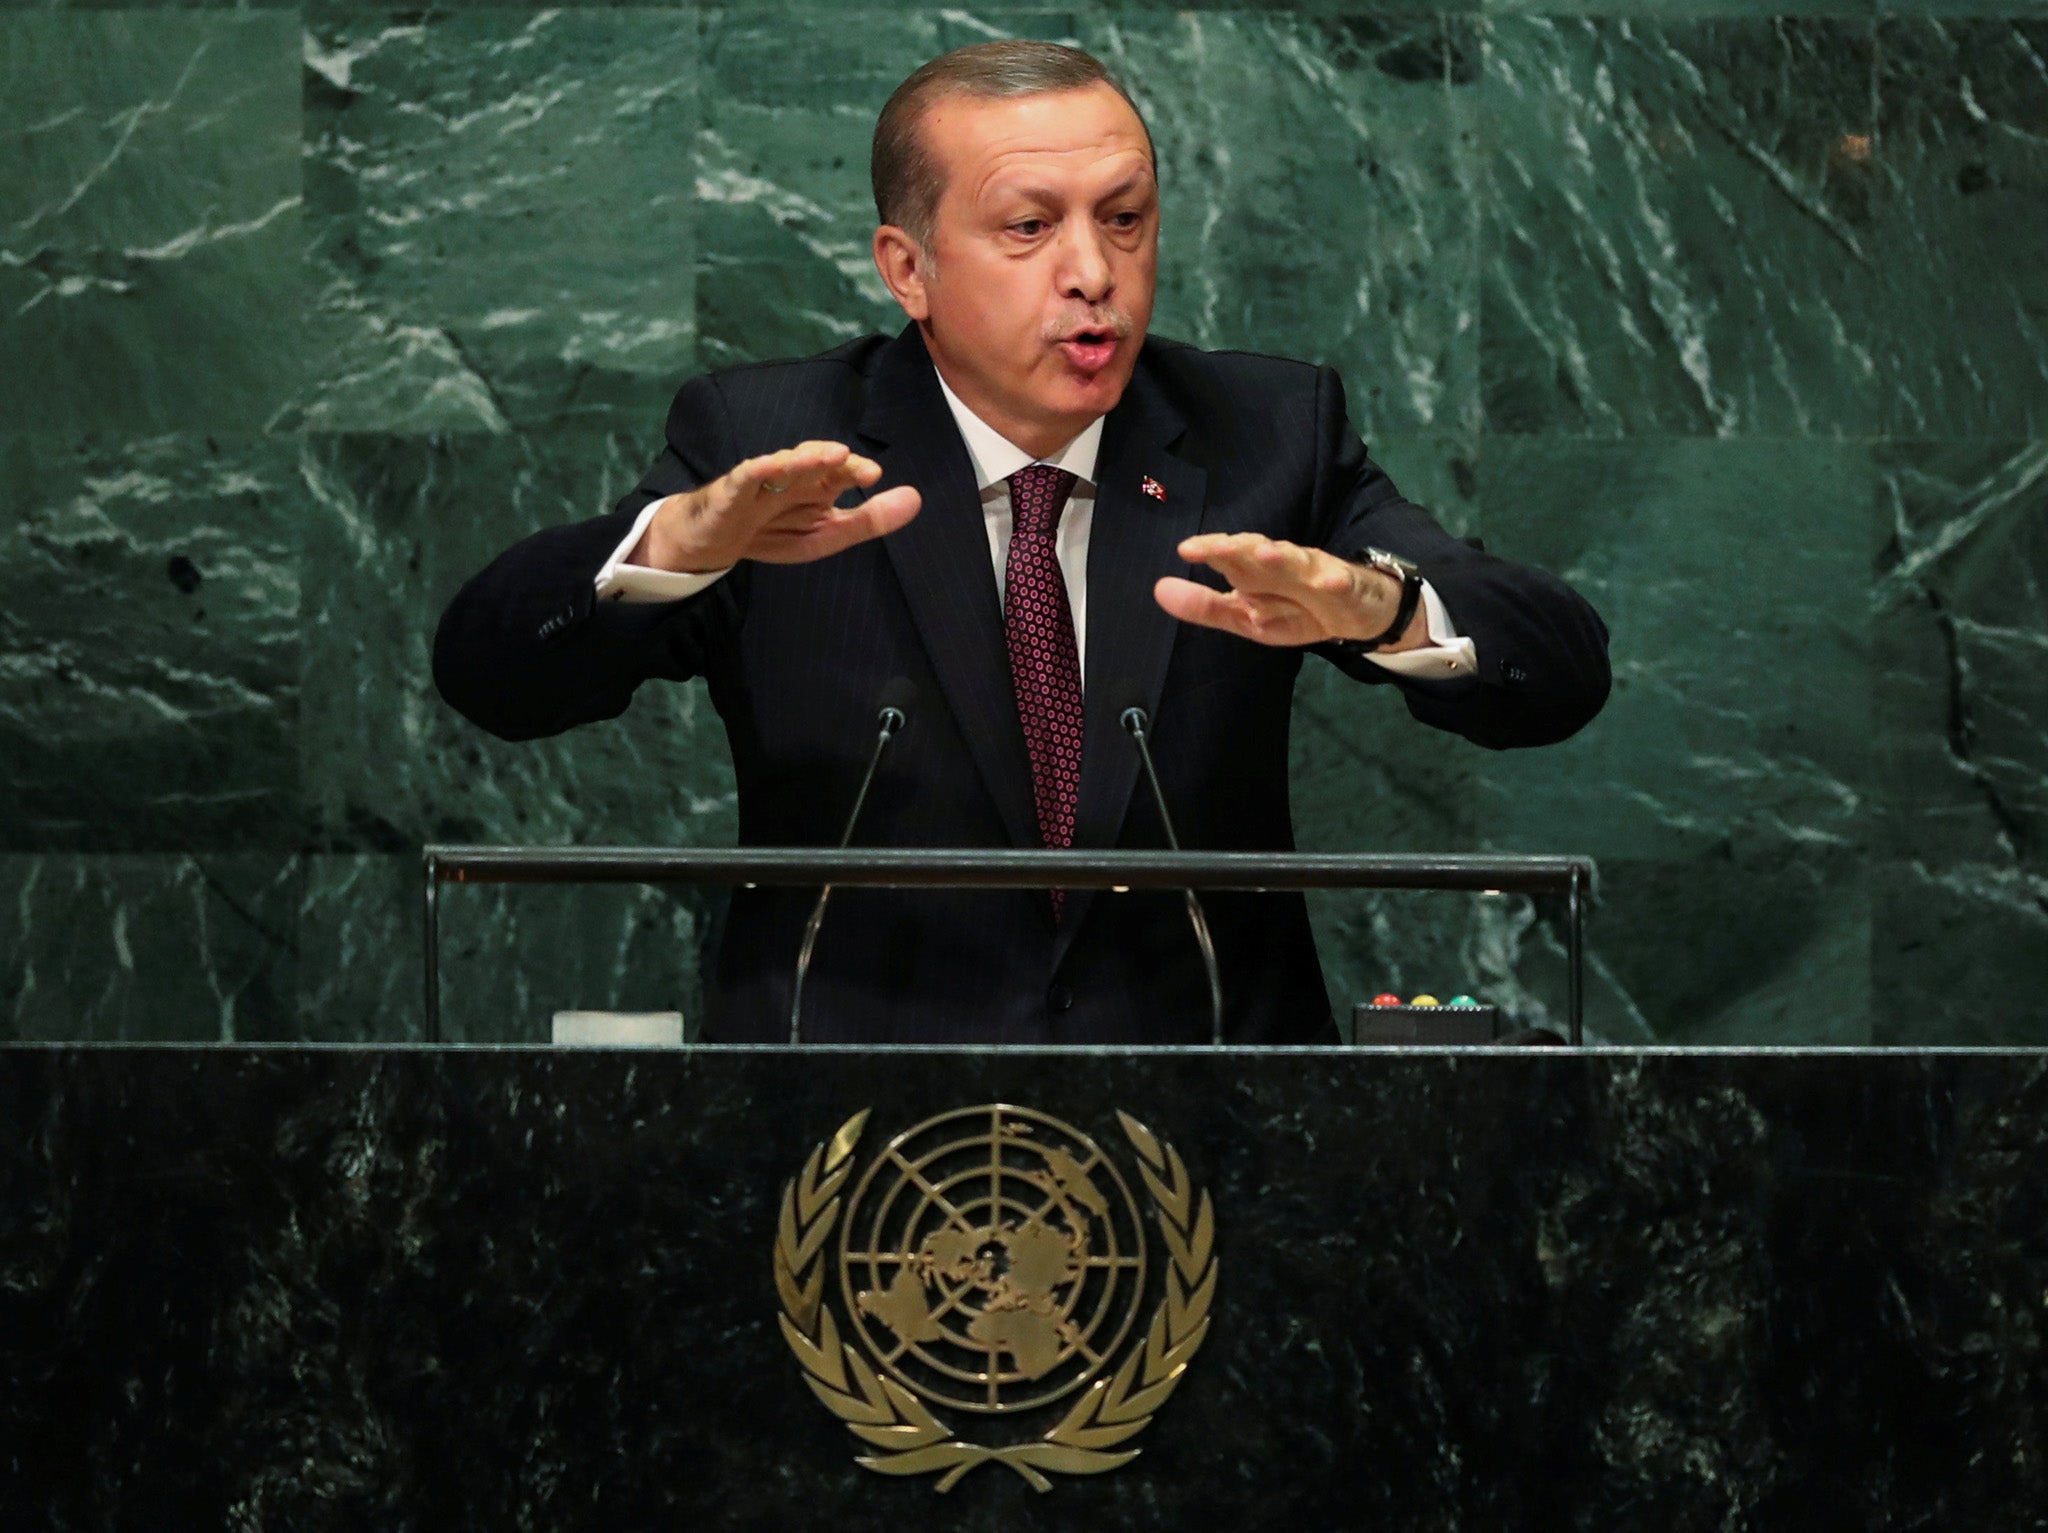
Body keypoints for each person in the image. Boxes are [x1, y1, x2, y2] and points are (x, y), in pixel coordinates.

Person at [433, 41, 1610, 1045]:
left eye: (1124, 220)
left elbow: (1553, 676)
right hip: (846, 1128)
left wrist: (1388, 613)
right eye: (1028, 227)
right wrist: (675, 545)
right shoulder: (775, 442)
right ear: (908, 269)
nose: (1092, 273)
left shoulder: (1265, 434)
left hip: (1215, 1119)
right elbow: (493, 676)